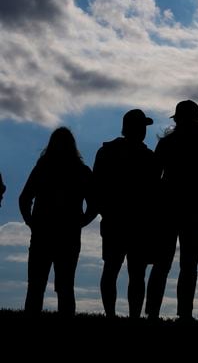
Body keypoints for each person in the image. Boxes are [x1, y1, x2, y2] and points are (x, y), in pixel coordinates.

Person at [149, 100, 198, 320]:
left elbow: (153, 177)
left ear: (178, 119)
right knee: (188, 263)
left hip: (169, 206)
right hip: (193, 205)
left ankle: (153, 312)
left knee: (163, 262)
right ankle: (184, 313)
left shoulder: (168, 143)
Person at [19, 127, 95, 315]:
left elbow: (24, 198)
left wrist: (31, 222)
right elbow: (95, 203)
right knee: (65, 287)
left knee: (36, 286)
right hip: (67, 235)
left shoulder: (43, 167)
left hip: (43, 233)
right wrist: (81, 221)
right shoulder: (80, 170)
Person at [93, 109, 160, 318]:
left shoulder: (112, 152)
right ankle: (118, 315)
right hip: (125, 221)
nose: (143, 131)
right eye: (141, 126)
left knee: (130, 272)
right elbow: (97, 187)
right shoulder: (143, 156)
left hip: (132, 221)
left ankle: (125, 316)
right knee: (120, 270)